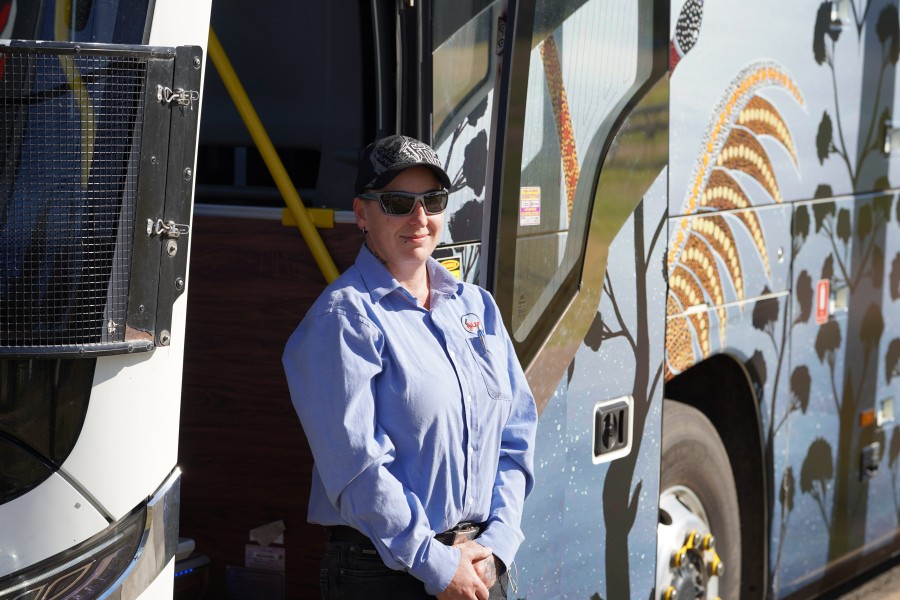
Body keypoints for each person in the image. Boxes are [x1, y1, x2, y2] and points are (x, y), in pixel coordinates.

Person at [282, 134, 537, 600]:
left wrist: (498, 543)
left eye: (433, 200)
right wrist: (437, 565)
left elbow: (516, 436)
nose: (420, 218)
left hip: (480, 567)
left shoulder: (478, 306)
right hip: (383, 575)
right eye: (398, 202)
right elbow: (359, 471)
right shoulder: (341, 320)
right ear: (362, 214)